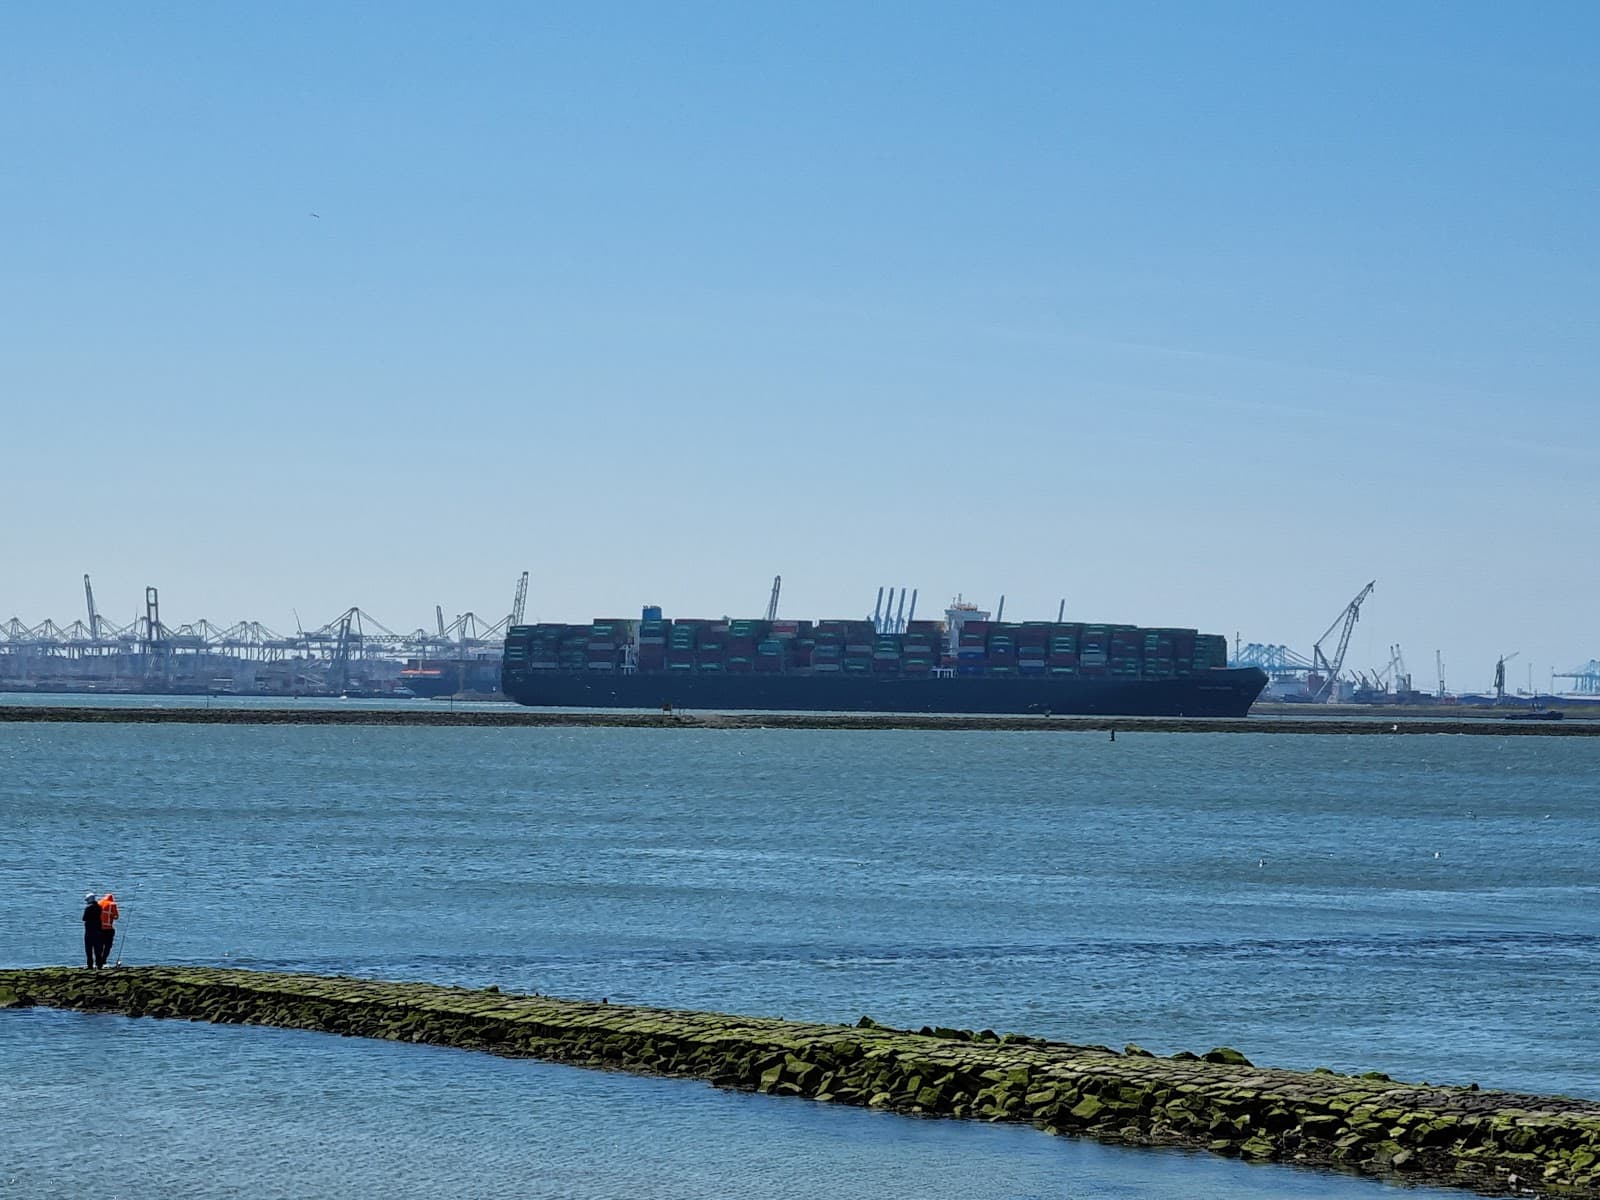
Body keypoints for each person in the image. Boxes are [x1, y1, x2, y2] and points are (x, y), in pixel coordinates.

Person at [95, 892, 120, 968]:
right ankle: (103, 960)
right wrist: (111, 915)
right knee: (108, 946)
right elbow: (116, 917)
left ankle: (97, 962)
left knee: (99, 946)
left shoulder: (99, 903)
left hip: (98, 929)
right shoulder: (112, 904)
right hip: (108, 929)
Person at [81, 892, 101, 968]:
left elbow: (84, 918)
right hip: (98, 930)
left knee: (89, 949)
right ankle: (99, 964)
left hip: (89, 931)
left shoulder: (88, 908)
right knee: (97, 949)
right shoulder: (99, 907)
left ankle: (90, 965)